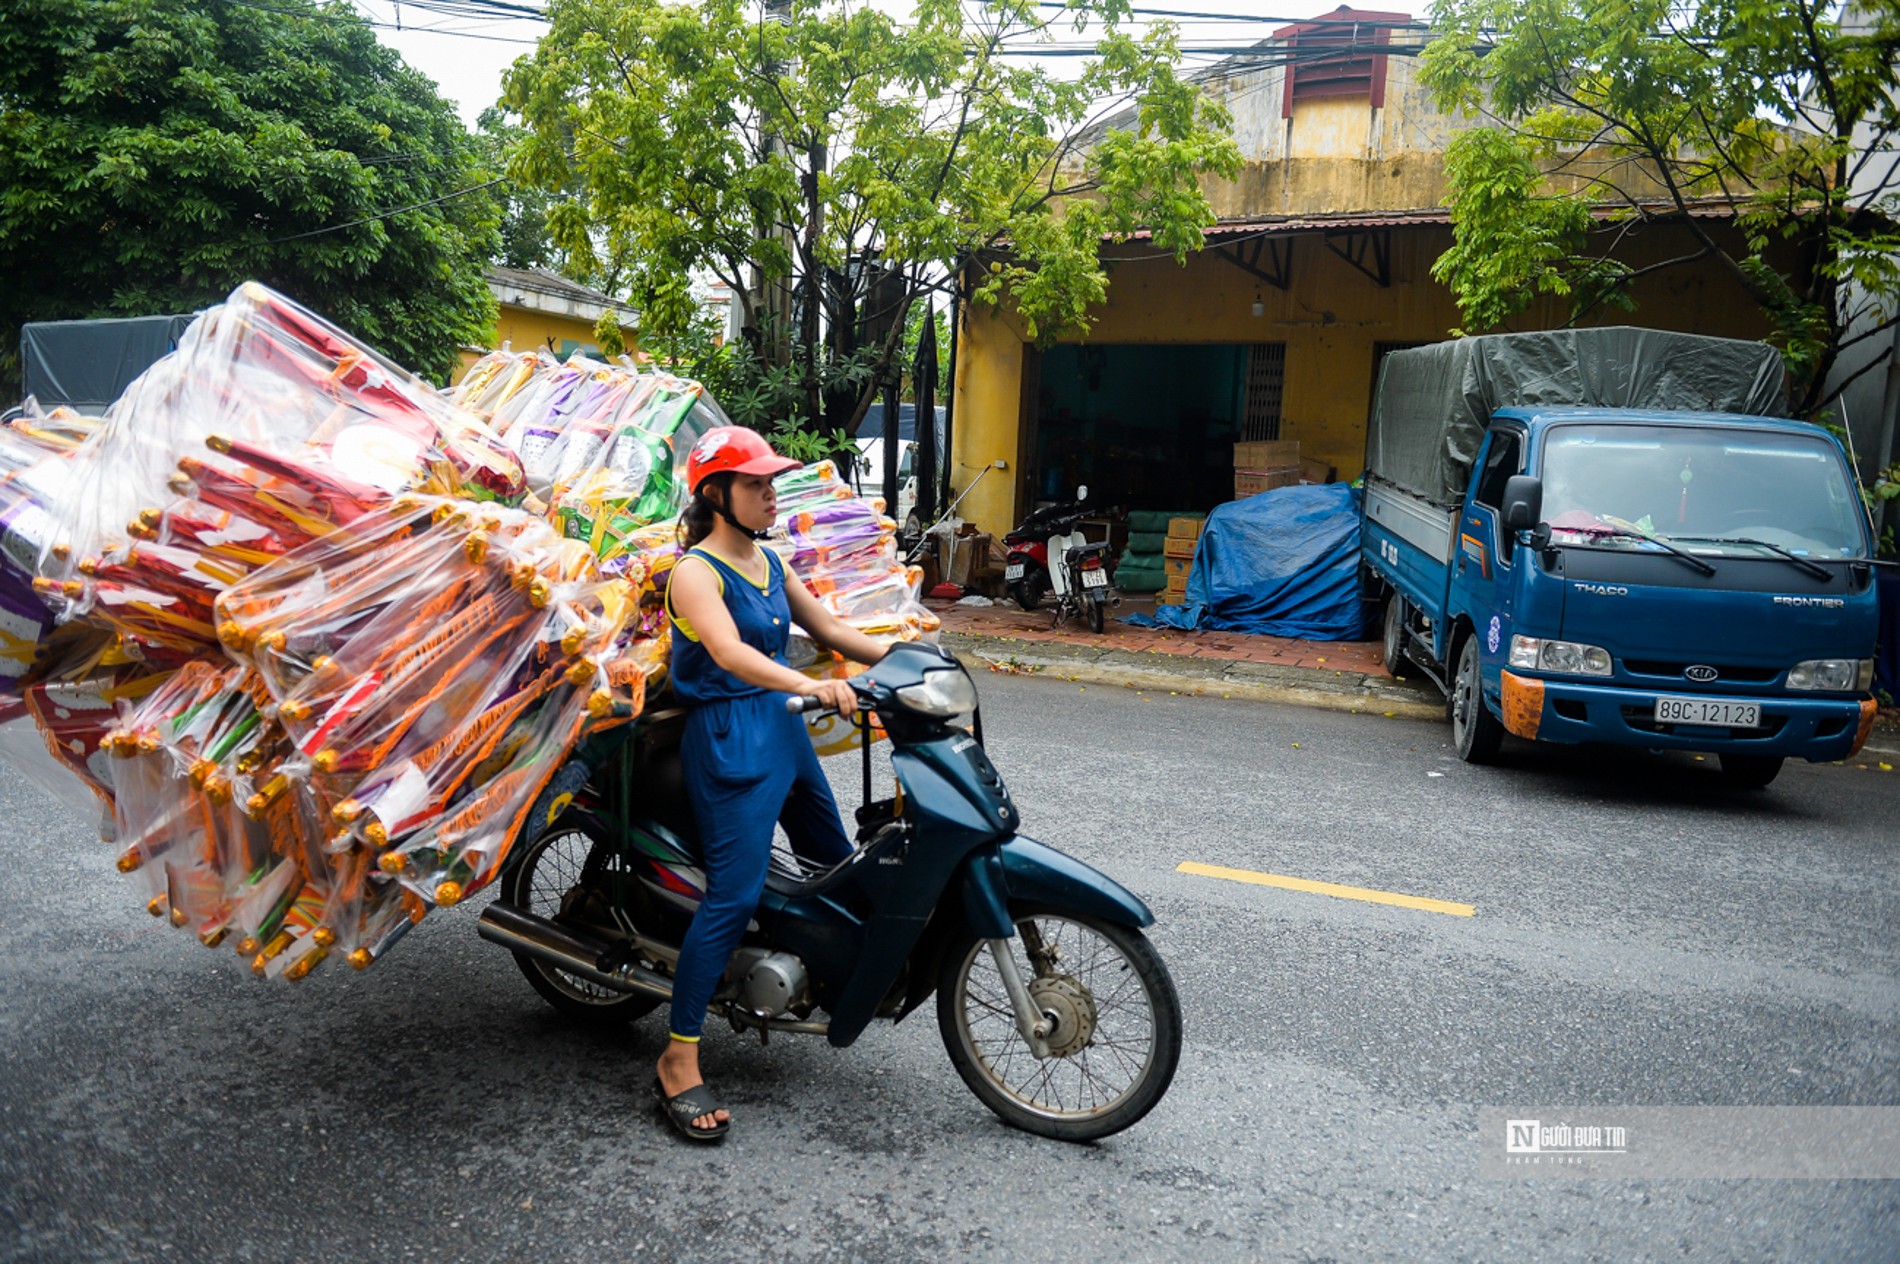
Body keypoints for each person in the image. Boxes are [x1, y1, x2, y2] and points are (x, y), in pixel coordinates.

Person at [654, 426, 889, 1143]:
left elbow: (833, 631)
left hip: (784, 726)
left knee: (833, 853)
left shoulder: (769, 560)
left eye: (771, 481)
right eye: (755, 484)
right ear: (716, 495)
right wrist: (809, 687)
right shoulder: (695, 572)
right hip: (730, 735)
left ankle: (819, 973)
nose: (770, 493)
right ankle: (678, 1058)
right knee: (735, 892)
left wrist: (917, 662)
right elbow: (725, 651)